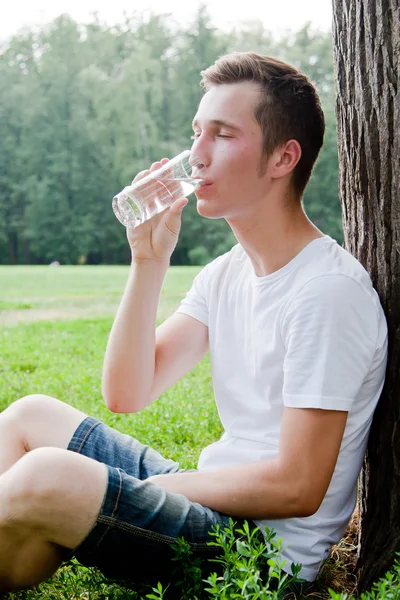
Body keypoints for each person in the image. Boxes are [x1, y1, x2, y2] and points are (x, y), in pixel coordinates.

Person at [0, 51, 388, 593]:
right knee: (30, 417)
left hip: (257, 553)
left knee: (47, 474)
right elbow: (127, 392)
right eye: (196, 132)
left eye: (223, 135)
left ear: (282, 158)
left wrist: (165, 486)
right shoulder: (224, 274)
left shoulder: (327, 292)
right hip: (209, 502)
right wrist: (148, 260)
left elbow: (299, 487)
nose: (195, 156)